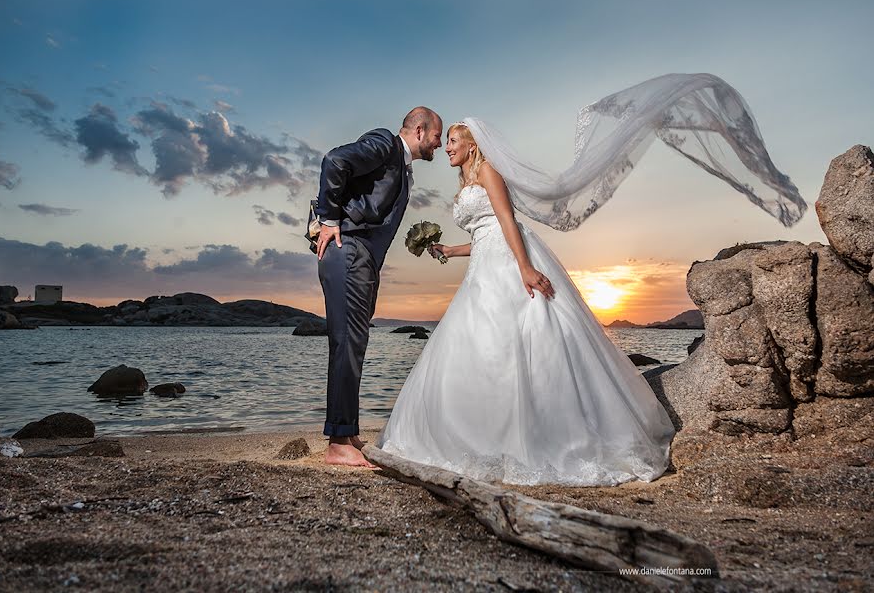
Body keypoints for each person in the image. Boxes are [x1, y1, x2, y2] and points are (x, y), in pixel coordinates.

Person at [375, 73, 806, 485]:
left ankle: (537, 436)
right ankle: (479, 429)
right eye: (444, 140)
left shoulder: (489, 173)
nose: (445, 147)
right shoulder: (466, 181)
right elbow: (485, 231)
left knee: (514, 339)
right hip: (484, 262)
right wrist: (450, 249)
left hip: (507, 261)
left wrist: (525, 267)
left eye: (451, 141)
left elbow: (507, 222)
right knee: (479, 343)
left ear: (473, 145)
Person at [314, 106, 443, 468]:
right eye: (437, 135)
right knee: (347, 341)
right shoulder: (385, 143)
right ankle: (338, 444)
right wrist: (328, 219)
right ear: (419, 130)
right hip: (348, 250)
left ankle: (347, 431)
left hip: (362, 259)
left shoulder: (400, 164)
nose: (438, 143)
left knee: (354, 341)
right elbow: (335, 160)